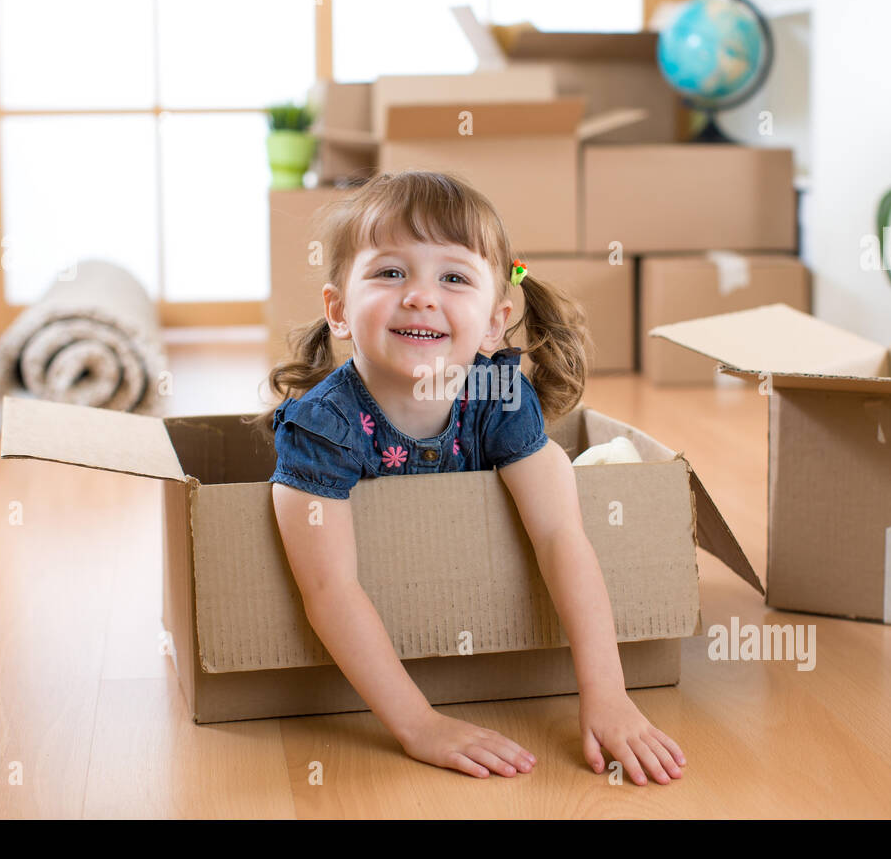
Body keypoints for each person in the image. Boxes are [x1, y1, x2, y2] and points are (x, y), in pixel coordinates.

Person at [260, 170, 686, 785]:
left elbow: (561, 537)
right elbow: (330, 588)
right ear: (338, 310)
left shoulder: (500, 397)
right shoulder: (322, 427)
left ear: (494, 321)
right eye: (389, 272)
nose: (420, 296)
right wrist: (419, 724)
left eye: (453, 277)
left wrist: (608, 693)